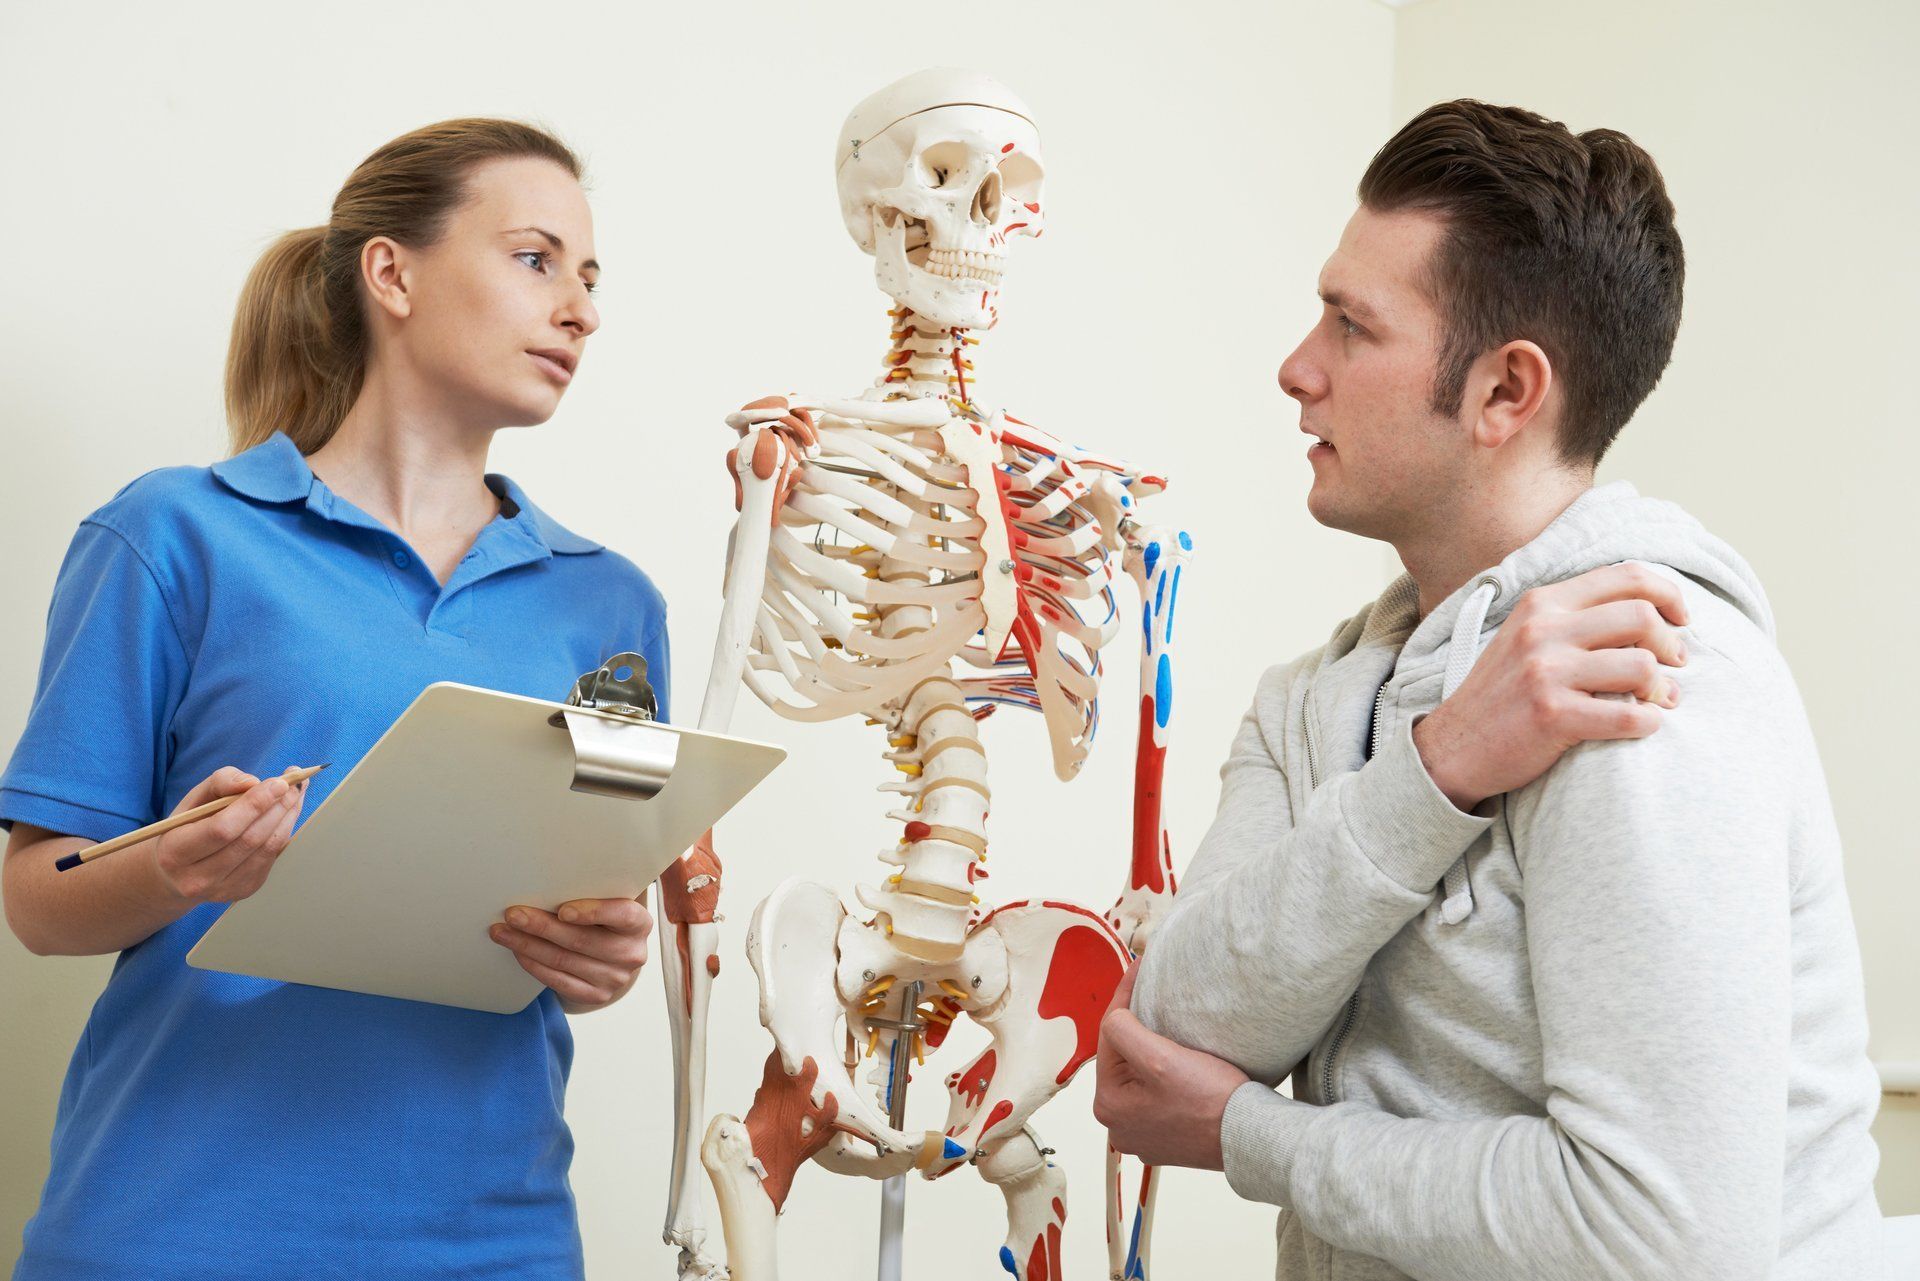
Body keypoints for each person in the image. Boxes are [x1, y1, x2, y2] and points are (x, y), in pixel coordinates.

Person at [1094, 101, 1884, 1280]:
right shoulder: (1307, 701)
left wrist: (1248, 1136)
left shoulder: (1653, 682)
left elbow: (1663, 1240)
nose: (1296, 368)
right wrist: (1437, 771)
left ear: (1506, 394)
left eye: (1352, 327)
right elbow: (1171, 1037)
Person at [0, 119, 666, 1279]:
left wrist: (601, 956)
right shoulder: (174, 536)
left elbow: (583, 923)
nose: (581, 310)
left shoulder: (611, 606)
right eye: (536, 258)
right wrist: (173, 866)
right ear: (391, 273)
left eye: (592, 277)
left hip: (494, 1241)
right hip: (178, 1230)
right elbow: (36, 901)